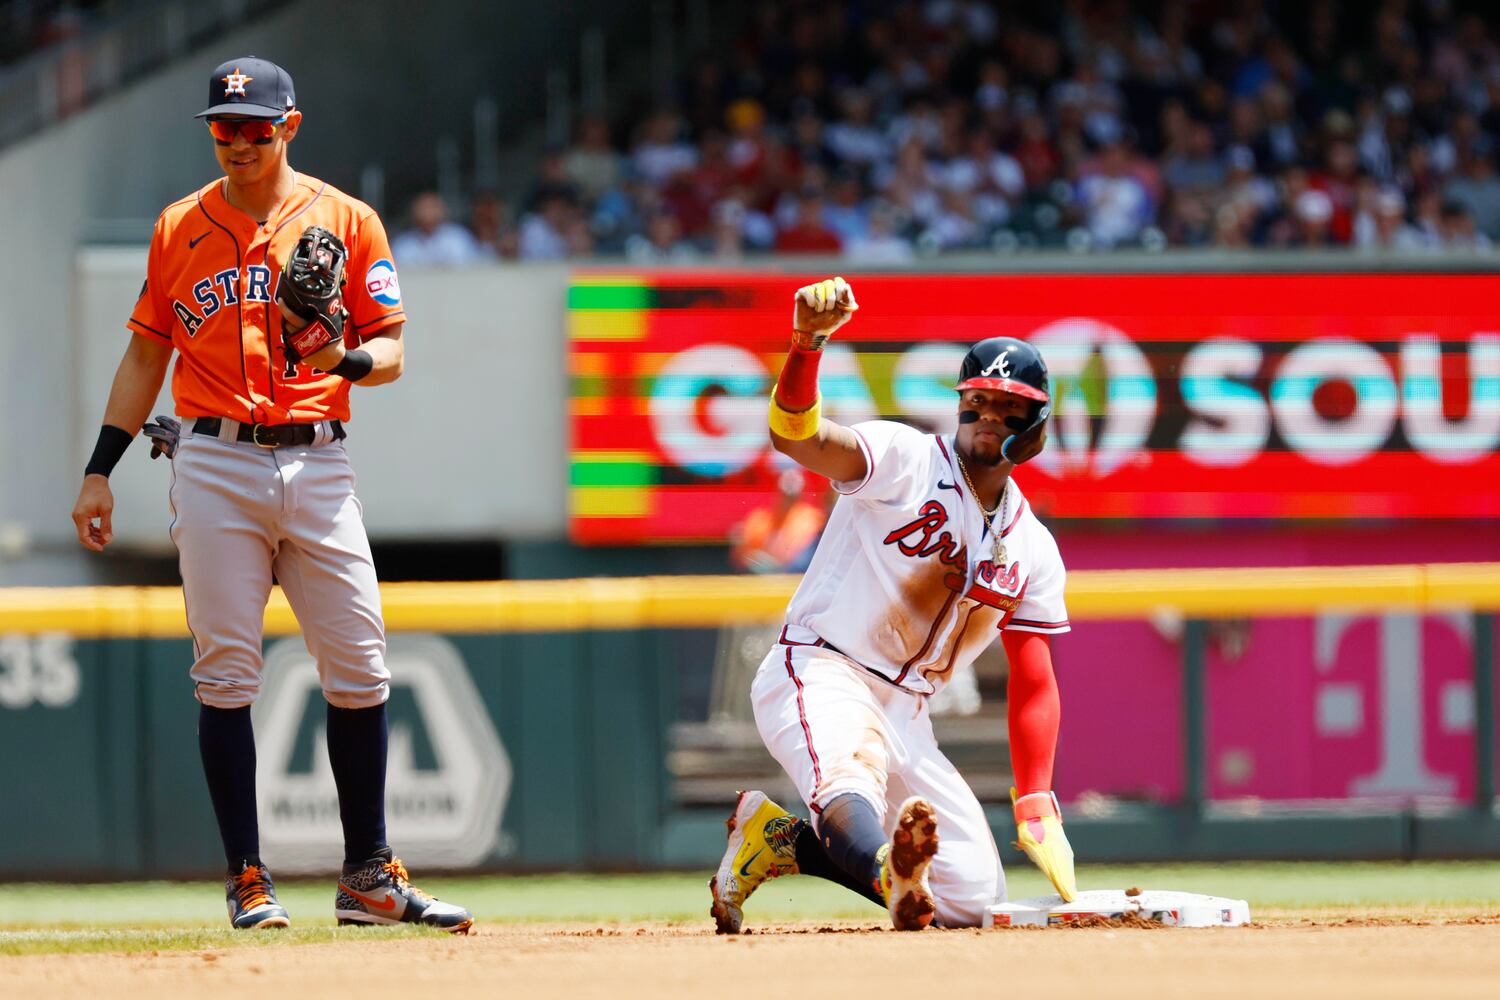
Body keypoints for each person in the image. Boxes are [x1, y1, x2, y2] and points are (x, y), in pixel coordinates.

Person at [68, 57, 472, 933]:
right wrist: (101, 467)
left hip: (320, 457)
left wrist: (341, 359)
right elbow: (147, 355)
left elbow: (394, 349)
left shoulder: (346, 218)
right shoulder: (180, 225)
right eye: (224, 127)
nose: (239, 142)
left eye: (256, 127)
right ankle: (248, 876)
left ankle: (368, 875)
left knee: (361, 668)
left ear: (291, 125)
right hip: (213, 459)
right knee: (227, 674)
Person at [710, 277, 1075, 933]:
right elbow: (799, 437)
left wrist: (1037, 797)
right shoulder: (905, 457)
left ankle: (777, 839)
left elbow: (1034, 675)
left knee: (973, 900)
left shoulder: (1034, 548)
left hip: (909, 714)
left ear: (1039, 427)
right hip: (824, 670)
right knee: (850, 785)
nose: (989, 414)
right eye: (978, 399)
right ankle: (888, 872)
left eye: (1008, 405)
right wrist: (806, 345)